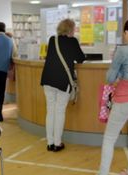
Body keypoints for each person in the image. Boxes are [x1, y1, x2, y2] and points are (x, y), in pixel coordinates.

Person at [86, 16, 128, 175]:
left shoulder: (123, 51)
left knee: (110, 137)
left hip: (125, 100)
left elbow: (110, 78)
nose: (124, 36)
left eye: (124, 32)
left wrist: (119, 74)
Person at [40, 19, 85, 152]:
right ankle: (57, 143)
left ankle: (50, 143)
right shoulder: (73, 41)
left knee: (50, 111)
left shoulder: (52, 40)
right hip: (63, 80)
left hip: (48, 79)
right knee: (59, 111)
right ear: (70, 29)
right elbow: (81, 58)